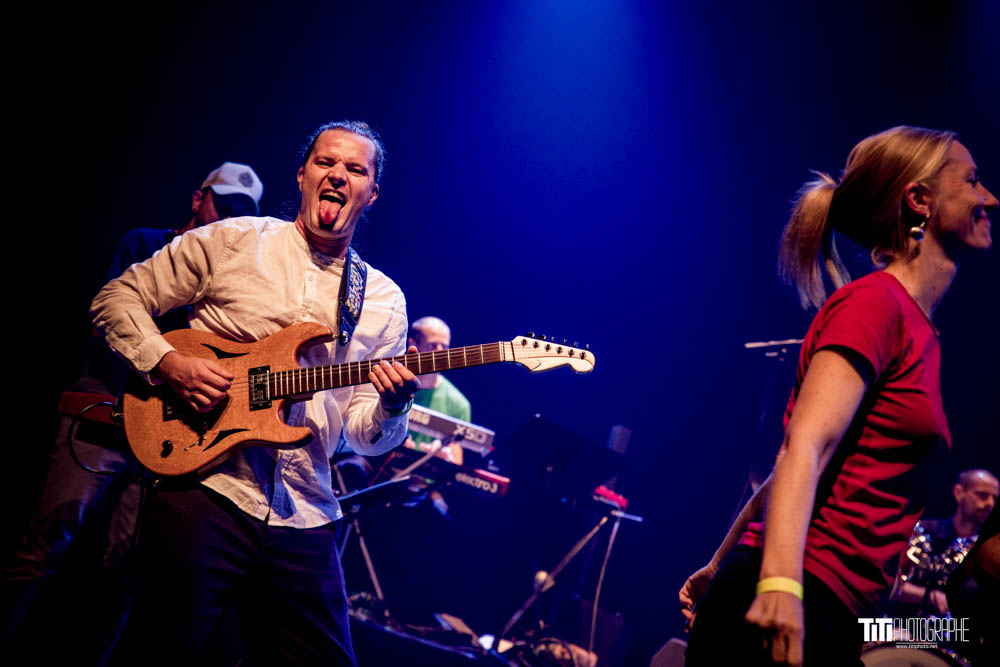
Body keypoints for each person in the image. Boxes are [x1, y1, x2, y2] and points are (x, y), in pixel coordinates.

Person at [90, 121, 419, 665]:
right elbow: (116, 299)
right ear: (302, 175)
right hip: (208, 483)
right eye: (325, 163)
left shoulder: (383, 300)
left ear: (371, 193)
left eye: (354, 169)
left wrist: (393, 405)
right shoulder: (234, 241)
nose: (338, 175)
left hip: (304, 511)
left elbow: (363, 436)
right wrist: (169, 363)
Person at [678, 126, 997, 667]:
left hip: (829, 605)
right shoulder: (876, 304)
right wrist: (777, 583)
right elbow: (804, 445)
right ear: (920, 199)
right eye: (972, 181)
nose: (990, 198)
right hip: (798, 592)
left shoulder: (921, 331)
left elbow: (810, 464)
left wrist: (719, 561)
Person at [2, 162, 262, 656]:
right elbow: (105, 320)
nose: (227, 217)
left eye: (239, 212)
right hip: (102, 418)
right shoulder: (145, 244)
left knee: (124, 573)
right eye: (223, 204)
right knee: (48, 538)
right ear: (198, 198)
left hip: (165, 440)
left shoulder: (231, 276)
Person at [890, 468, 998, 616]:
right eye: (982, 495)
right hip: (901, 623)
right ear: (959, 493)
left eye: (995, 498)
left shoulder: (988, 549)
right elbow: (891, 584)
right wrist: (931, 597)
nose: (990, 503)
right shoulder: (923, 531)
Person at [404, 316, 472, 465]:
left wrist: (443, 456)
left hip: (423, 477)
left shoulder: (459, 404)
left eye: (445, 347)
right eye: (432, 346)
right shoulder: (393, 382)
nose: (440, 353)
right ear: (413, 345)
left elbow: (456, 461)